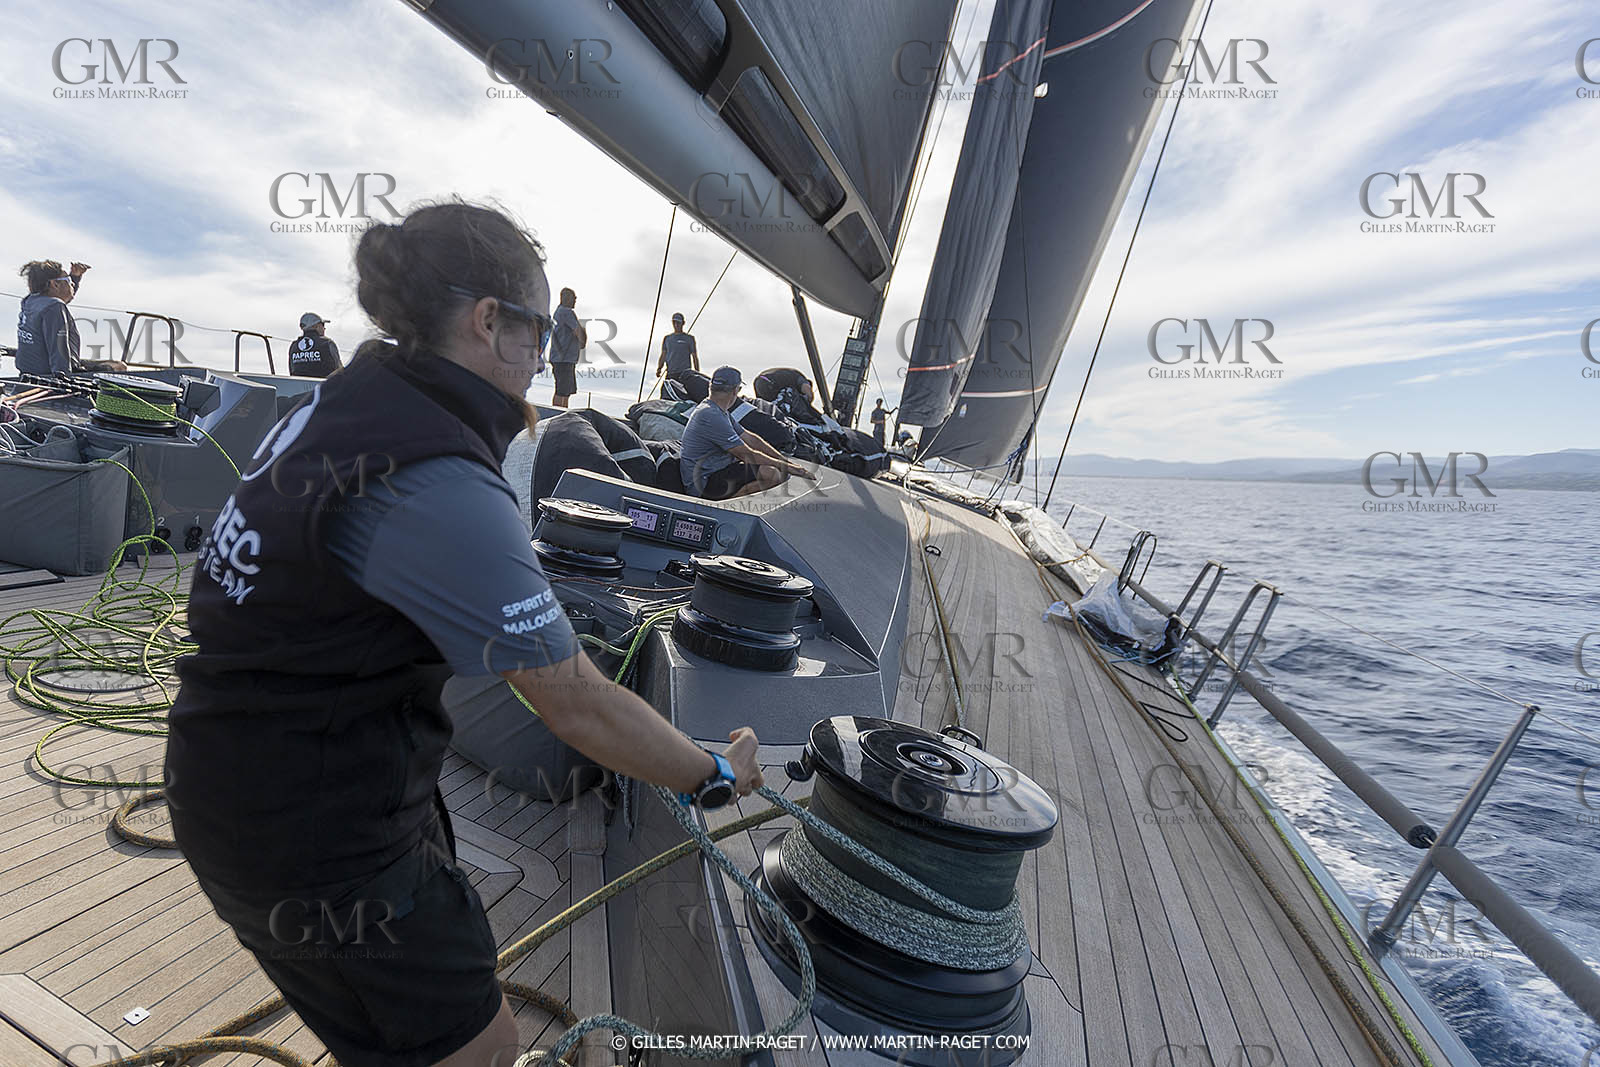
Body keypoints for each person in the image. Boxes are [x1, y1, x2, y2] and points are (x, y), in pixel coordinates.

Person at [164, 201, 763, 1067]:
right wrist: (713, 773)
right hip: (315, 829)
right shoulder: (438, 473)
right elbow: (576, 705)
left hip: (254, 774)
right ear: (490, 321)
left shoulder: (348, 408)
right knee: (479, 1048)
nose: (549, 355)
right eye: (543, 332)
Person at [679, 365, 814, 499]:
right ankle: (727, 505)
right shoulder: (710, 415)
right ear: (736, 390)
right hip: (703, 483)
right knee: (771, 474)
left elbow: (750, 438)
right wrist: (788, 468)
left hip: (718, 471)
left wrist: (784, 461)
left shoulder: (717, 410)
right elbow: (745, 454)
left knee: (771, 469)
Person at [14, 260, 108, 375]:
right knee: (119, 367)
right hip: (52, 375)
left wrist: (75, 277)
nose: (72, 284)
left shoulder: (30, 301)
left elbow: (60, 298)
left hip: (28, 373)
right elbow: (58, 350)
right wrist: (63, 378)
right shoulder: (54, 307)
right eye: (68, 280)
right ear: (55, 284)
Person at [548, 287, 586, 408]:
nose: (575, 300)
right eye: (573, 298)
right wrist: (583, 337)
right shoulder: (566, 312)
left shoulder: (559, 312)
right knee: (562, 390)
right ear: (566, 298)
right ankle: (558, 413)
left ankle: (562, 412)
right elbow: (578, 332)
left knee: (565, 391)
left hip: (563, 358)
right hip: (563, 359)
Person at [287, 313, 342, 378]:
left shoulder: (294, 346)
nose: (324, 328)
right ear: (316, 326)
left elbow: (291, 371)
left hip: (298, 384)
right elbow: (339, 370)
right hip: (325, 384)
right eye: (322, 325)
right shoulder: (327, 343)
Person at [656, 311, 699, 391]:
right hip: (671, 373)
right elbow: (663, 355)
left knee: (684, 394)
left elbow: (694, 356)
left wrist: (697, 372)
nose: (676, 325)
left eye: (678, 322)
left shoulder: (689, 339)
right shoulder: (667, 339)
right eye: (674, 322)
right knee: (667, 394)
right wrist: (659, 368)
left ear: (683, 323)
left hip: (685, 374)